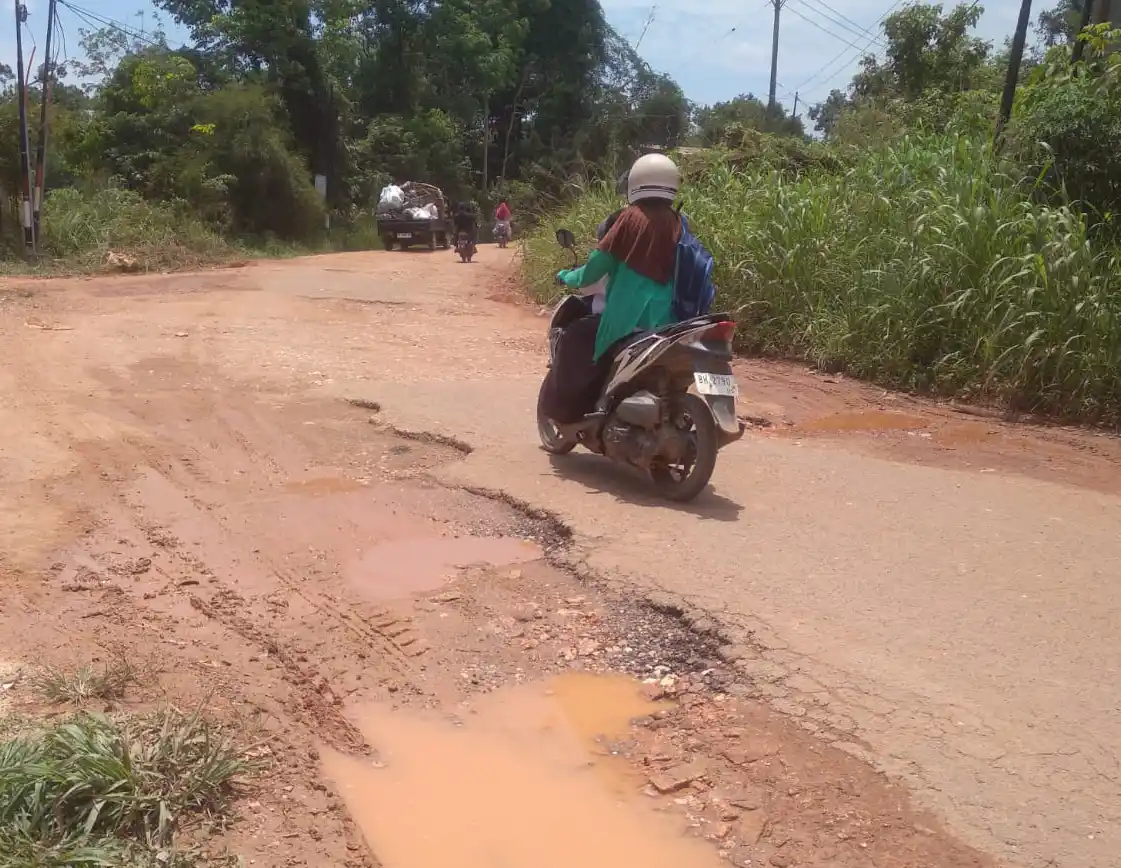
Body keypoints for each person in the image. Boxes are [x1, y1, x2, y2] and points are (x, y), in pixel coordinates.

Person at [541, 153, 683, 424]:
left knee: (575, 337)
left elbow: (593, 271)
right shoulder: (678, 221)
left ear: (636, 182)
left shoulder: (630, 218)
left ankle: (567, 415)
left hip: (628, 321)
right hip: (668, 323)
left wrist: (566, 276)